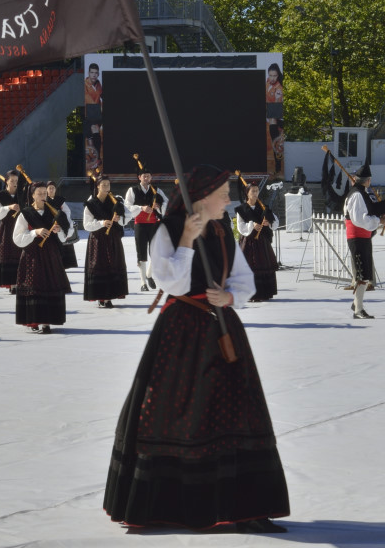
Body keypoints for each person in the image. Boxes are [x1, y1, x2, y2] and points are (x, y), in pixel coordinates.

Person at [103, 165, 291, 532]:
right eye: (222, 193)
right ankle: (171, 506)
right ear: (201, 197)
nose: (228, 199)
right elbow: (170, 282)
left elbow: (244, 279)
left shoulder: (222, 230)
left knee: (238, 412)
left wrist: (231, 295)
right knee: (175, 411)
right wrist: (187, 239)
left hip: (222, 330)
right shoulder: (168, 230)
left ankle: (246, 507)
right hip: (180, 333)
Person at [12, 182, 71, 333]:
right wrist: (34, 232)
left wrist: (59, 230)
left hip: (51, 255)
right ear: (32, 195)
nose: (43, 196)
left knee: (49, 286)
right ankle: (33, 320)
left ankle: (46, 322)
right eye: (39, 193)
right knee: (34, 287)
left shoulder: (54, 212)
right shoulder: (25, 213)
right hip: (32, 255)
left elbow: (67, 235)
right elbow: (17, 238)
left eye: (45, 193)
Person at [344, 164, 385, 320]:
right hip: (357, 237)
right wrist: (378, 220)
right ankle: (358, 309)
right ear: (368, 180)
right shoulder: (357, 195)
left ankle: (356, 303)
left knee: (365, 273)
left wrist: (379, 218)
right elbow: (360, 220)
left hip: (362, 237)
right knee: (362, 274)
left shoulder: (360, 193)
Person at [82, 175, 128, 308]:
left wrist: (119, 219)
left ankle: (109, 297)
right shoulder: (91, 204)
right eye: (104, 185)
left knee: (112, 265)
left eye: (108, 184)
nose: (107, 187)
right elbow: (87, 225)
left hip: (113, 239)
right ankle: (101, 297)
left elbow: (128, 216)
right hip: (97, 240)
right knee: (99, 266)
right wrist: (102, 223)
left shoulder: (116, 201)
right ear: (98, 186)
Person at [124, 162, 168, 292]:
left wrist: (159, 207)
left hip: (154, 224)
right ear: (139, 177)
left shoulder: (156, 190)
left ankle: (149, 275)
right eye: (144, 176)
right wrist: (141, 208)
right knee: (141, 252)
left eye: (149, 176)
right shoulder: (132, 190)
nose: (146, 179)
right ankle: (143, 282)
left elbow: (166, 201)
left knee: (155, 252)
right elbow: (127, 205)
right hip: (140, 225)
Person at [235, 182, 279, 302]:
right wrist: (252, 225)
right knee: (249, 266)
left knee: (262, 265)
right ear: (247, 193)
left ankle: (263, 293)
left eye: (257, 191)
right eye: (252, 191)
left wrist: (268, 223)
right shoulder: (242, 209)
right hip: (248, 242)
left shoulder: (263, 207)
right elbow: (240, 226)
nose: (255, 193)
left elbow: (274, 221)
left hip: (262, 242)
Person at [0, 170, 25, 291]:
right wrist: (9, 207)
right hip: (6, 228)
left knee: (20, 253)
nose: (15, 183)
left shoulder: (22, 195)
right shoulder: (0, 196)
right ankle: (11, 283)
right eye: (12, 181)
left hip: (20, 227)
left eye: (16, 181)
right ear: (6, 181)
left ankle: (19, 282)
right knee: (7, 253)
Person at [45, 180, 78, 270]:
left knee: (62, 249)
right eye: (49, 188)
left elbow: (67, 211)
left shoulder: (60, 200)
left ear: (56, 189)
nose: (51, 190)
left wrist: (60, 217)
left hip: (60, 225)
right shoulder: (44, 200)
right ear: (46, 190)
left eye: (53, 188)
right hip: (49, 226)